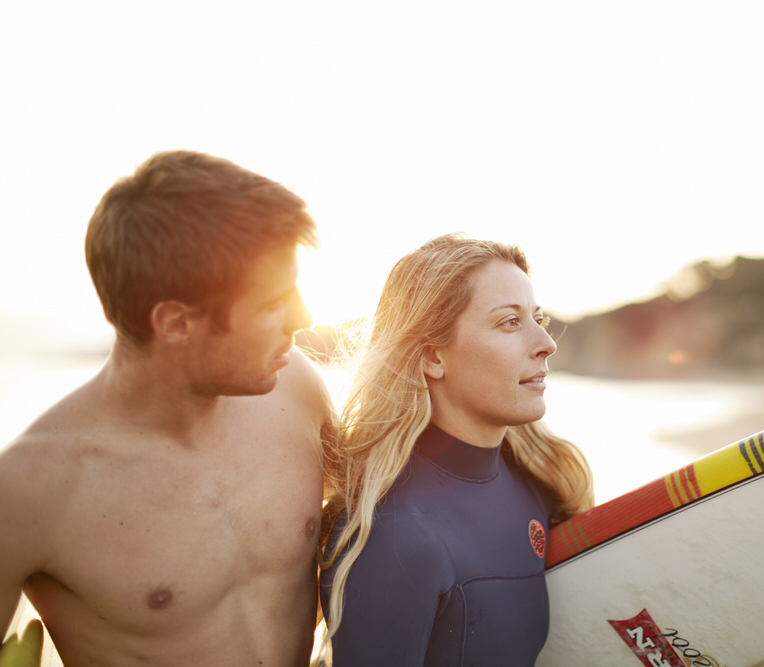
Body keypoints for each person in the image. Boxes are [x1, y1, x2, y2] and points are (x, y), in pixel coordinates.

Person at [0, 151, 336, 666]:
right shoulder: (30, 488)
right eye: (273, 303)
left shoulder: (296, 391)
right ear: (175, 323)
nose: (304, 319)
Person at [319, 234, 594, 665]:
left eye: (538, 318)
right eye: (510, 322)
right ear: (432, 356)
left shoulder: (541, 485)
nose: (546, 342)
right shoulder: (394, 536)